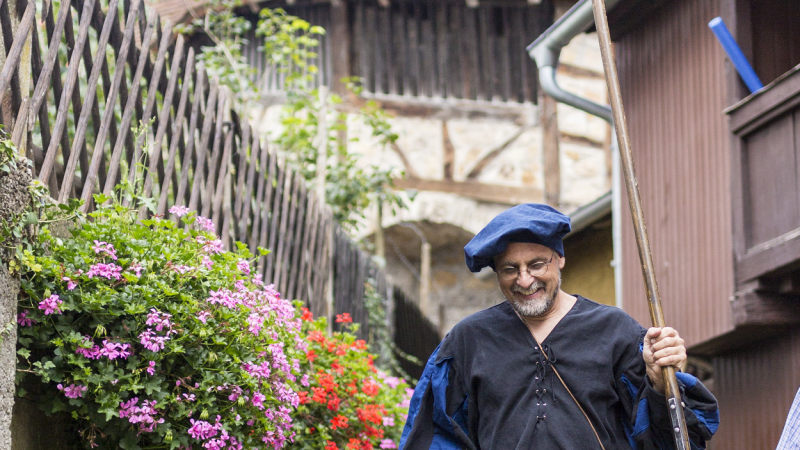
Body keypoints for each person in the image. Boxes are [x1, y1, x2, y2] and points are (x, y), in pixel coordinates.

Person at [399, 204, 719, 450]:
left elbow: (667, 437)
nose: (525, 280)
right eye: (510, 269)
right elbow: (435, 434)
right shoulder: (469, 341)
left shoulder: (614, 331)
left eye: (537, 264)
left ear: (560, 258)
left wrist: (660, 381)